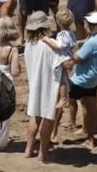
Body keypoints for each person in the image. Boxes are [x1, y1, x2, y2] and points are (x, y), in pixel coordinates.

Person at [23, 11, 68, 161]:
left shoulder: (28, 44)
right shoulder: (49, 46)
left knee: (34, 116)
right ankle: (43, 152)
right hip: (50, 86)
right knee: (48, 119)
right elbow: (63, 65)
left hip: (34, 84)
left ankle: (28, 149)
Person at [61, 11, 97, 146]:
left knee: (63, 100)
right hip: (92, 80)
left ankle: (67, 129)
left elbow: (75, 59)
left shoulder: (93, 42)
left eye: (90, 24)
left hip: (81, 80)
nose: (86, 26)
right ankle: (89, 136)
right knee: (90, 107)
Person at [0, 17, 21, 152]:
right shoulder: (12, 50)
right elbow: (15, 72)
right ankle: (0, 142)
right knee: (4, 108)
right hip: (6, 79)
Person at [43, 7, 76, 137]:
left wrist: (47, 40)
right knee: (64, 79)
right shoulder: (71, 32)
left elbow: (59, 46)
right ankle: (63, 97)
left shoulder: (62, 34)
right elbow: (72, 44)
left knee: (62, 79)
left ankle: (63, 98)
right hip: (68, 56)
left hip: (62, 59)